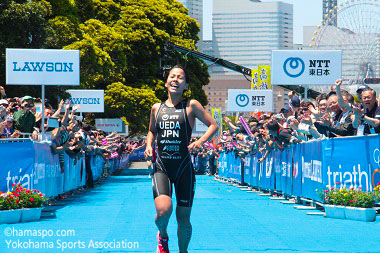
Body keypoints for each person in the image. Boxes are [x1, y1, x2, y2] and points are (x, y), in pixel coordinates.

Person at [144, 65, 218, 253]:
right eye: (172, 77)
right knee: (163, 211)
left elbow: (213, 125)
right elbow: (152, 130)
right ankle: (162, 235)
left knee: (183, 218)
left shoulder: (191, 105)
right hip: (163, 168)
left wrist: (200, 141)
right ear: (166, 81)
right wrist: (148, 145)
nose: (175, 80)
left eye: (180, 78)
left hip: (184, 168)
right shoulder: (156, 108)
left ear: (186, 85)